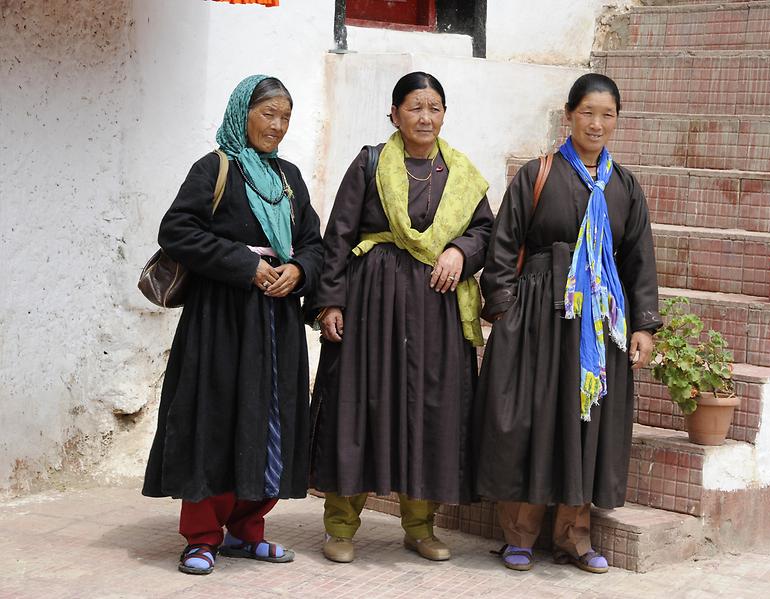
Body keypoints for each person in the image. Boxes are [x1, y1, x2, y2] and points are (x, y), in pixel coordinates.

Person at [475, 74, 660, 574]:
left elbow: (638, 258)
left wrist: (642, 326)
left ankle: (575, 538)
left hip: (597, 327)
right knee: (533, 423)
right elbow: (502, 247)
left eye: (608, 116)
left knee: (586, 425)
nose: (597, 124)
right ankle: (519, 536)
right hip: (538, 317)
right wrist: (507, 312)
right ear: (569, 115)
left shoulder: (624, 187)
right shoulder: (538, 173)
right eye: (588, 113)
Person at [308, 71, 494, 564]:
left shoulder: (460, 174)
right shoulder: (370, 163)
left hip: (436, 308)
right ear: (393, 114)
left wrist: (460, 251)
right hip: (372, 304)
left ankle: (420, 527)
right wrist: (331, 300)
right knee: (360, 407)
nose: (425, 117)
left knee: (428, 411)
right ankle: (341, 526)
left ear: (444, 115)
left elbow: (485, 231)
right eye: (414, 107)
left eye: (434, 107)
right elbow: (338, 235)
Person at [142, 75, 324, 575]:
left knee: (270, 420)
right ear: (243, 113)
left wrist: (299, 270)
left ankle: (248, 529)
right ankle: (202, 536)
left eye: (286, 117)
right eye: (269, 114)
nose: (278, 126)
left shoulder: (288, 178)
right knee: (214, 416)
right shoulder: (214, 169)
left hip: (276, 321)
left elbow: (315, 242)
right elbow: (177, 230)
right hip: (221, 319)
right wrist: (244, 265)